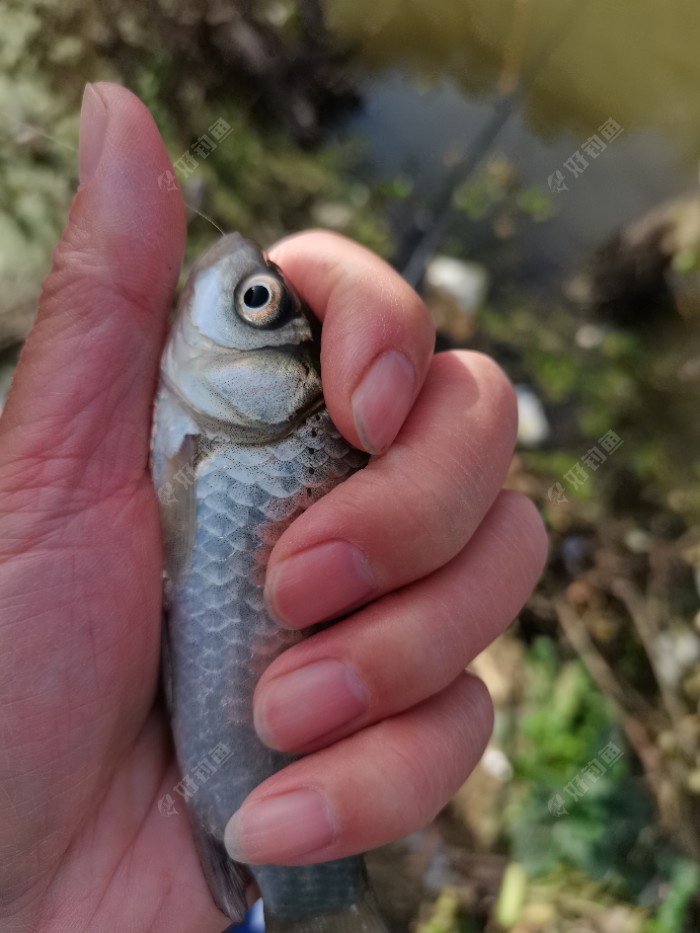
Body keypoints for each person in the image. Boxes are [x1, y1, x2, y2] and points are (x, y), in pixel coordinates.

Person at [0, 84, 547, 932]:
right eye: (258, 301)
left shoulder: (204, 430)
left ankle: (313, 893)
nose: (233, 281)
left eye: (254, 304)